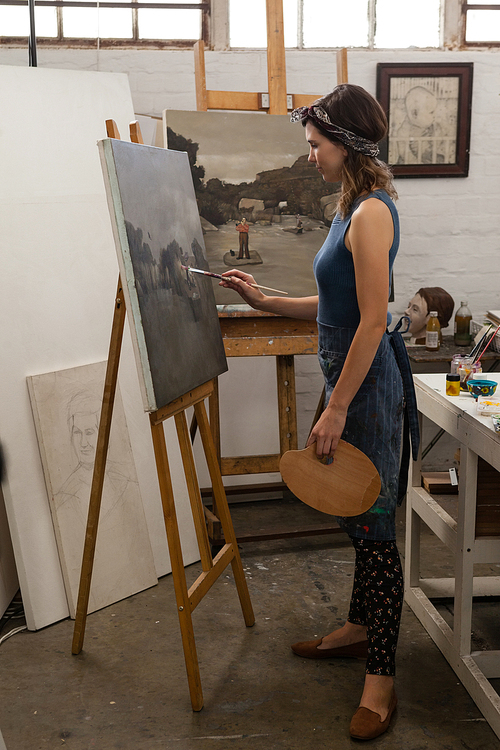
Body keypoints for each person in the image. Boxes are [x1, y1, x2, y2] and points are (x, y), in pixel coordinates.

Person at [220, 84, 409, 740]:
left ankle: (380, 683)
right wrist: (268, 301)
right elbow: (338, 308)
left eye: (315, 145)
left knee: (378, 534)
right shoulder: (349, 205)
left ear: (346, 143)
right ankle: (359, 629)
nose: (310, 157)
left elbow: (374, 322)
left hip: (370, 393)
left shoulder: (371, 215)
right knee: (356, 515)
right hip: (350, 386)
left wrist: (336, 407)